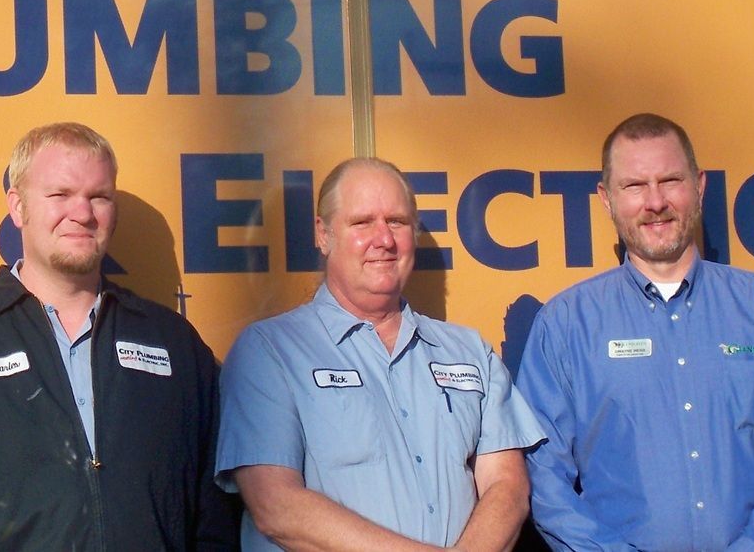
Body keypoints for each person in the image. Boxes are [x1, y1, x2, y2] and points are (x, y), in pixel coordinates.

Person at [0, 122, 239, 550]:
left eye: (99, 197)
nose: (83, 213)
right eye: (60, 195)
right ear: (17, 207)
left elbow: (215, 505)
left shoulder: (174, 344)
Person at [516, 113, 754, 550]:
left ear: (699, 186)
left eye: (670, 180)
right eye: (634, 186)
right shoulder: (565, 325)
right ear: (606, 199)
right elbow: (543, 479)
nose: (655, 202)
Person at [216, 157, 545, 551]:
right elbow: (277, 507)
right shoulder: (270, 352)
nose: (384, 239)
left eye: (397, 222)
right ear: (323, 235)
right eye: (361, 223)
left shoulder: (471, 352)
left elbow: (507, 485)